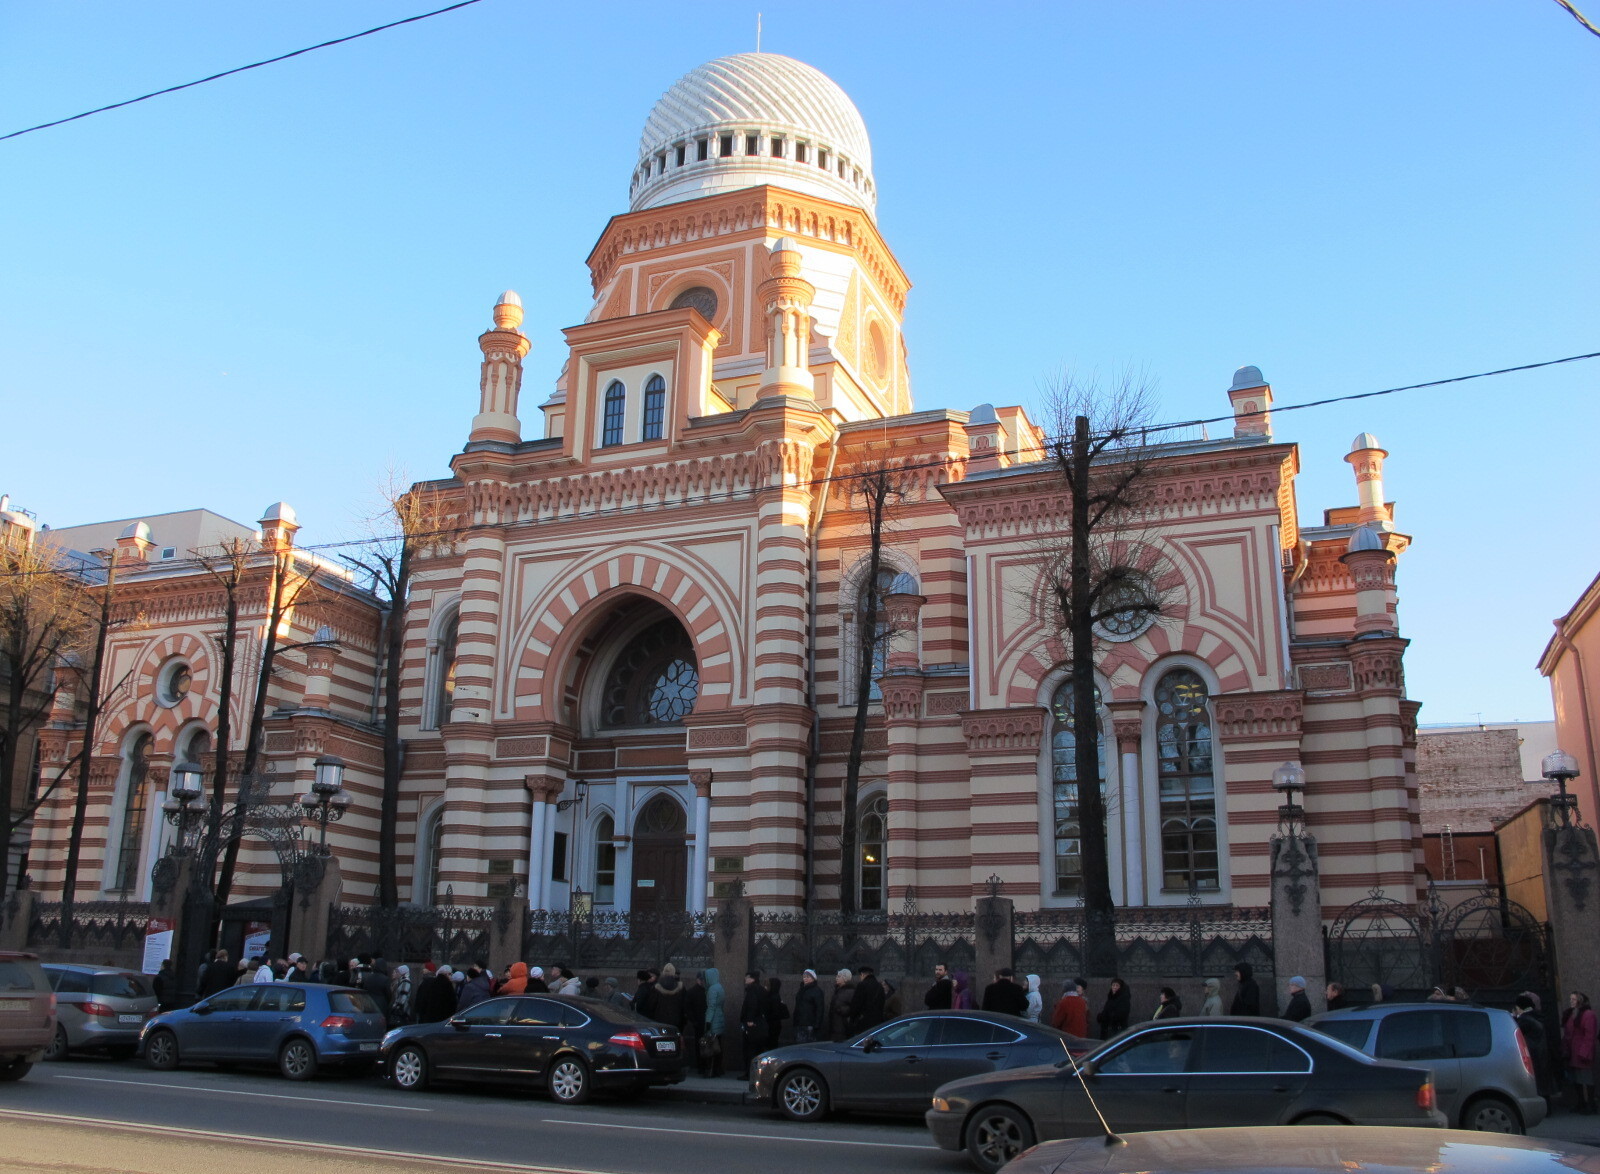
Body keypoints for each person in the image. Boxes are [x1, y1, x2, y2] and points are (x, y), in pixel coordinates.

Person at [1562, 991, 1597, 1114]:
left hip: (1582, 1052)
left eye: (1574, 999)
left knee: (1586, 1079)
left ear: (1580, 1001)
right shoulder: (1571, 1014)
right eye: (1570, 999)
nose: (1571, 1001)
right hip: (1573, 1052)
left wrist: (1585, 1052)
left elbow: (1590, 1035)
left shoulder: (1588, 1015)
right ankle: (1581, 1102)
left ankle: (1591, 1104)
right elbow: (1567, 1034)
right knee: (1576, 1079)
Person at [1515, 994, 1553, 1104]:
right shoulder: (1539, 1016)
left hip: (1532, 1052)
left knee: (1536, 1081)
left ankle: (1542, 1106)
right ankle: (1548, 1105)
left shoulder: (1524, 1019)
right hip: (1544, 1051)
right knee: (1544, 1080)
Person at [738, 971, 768, 1078]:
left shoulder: (752, 991)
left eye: (747, 977)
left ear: (752, 979)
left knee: (749, 1050)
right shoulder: (761, 990)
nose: (745, 979)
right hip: (760, 1024)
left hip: (752, 1025)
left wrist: (749, 1020)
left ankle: (749, 1073)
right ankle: (757, 1073)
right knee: (758, 1050)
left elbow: (752, 1005)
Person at [702, 967, 726, 1078]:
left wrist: (708, 1022)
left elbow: (711, 1007)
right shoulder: (720, 987)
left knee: (711, 1046)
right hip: (720, 1017)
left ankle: (711, 1070)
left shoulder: (712, 989)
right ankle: (718, 1069)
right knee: (719, 1045)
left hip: (714, 1019)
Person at [849, 965, 887, 1034]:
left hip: (863, 1023)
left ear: (862, 974)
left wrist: (852, 1018)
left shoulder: (862, 985)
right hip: (877, 1023)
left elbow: (856, 1005)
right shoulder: (880, 986)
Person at [793, 969, 825, 1043]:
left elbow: (820, 1008)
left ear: (813, 978)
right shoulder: (801, 990)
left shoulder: (817, 991)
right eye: (804, 977)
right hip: (799, 1023)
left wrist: (817, 1025)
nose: (806, 979)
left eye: (808, 977)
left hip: (810, 1024)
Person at [652, 964, 687, 1031]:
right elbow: (684, 1005)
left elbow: (652, 1004)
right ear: (674, 973)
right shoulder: (681, 988)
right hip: (676, 1020)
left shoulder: (656, 987)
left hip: (659, 1019)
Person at [828, 969, 856, 1041]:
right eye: (837, 976)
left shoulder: (850, 991)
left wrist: (842, 1010)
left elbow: (854, 1007)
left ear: (845, 979)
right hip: (834, 1025)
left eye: (839, 976)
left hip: (842, 1027)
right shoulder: (837, 990)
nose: (836, 978)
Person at [765, 977, 789, 1046]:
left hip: (772, 1025)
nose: (766, 987)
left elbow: (774, 1013)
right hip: (774, 1025)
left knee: (771, 1043)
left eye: (768, 985)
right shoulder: (775, 996)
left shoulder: (773, 997)